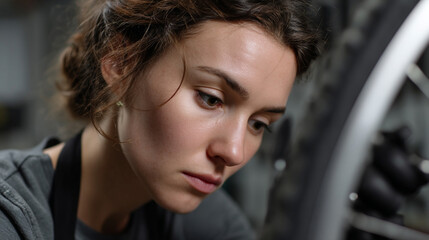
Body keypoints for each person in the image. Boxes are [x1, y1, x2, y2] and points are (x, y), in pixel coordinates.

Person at [0, 0, 321, 239]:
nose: (234, 152)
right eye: (211, 99)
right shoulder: (13, 217)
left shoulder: (212, 225)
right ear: (122, 64)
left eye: (258, 124)